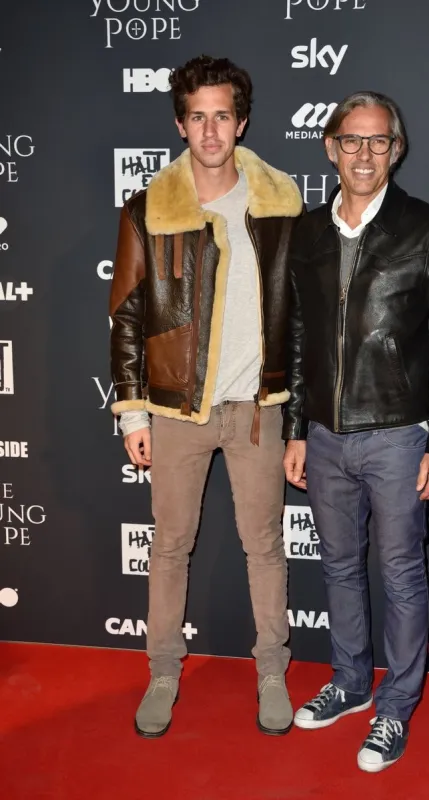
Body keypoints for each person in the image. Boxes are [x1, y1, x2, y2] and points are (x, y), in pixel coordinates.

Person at [109, 55, 303, 738]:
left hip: (258, 410)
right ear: (180, 123)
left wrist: (296, 413)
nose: (212, 130)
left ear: (241, 120)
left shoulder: (281, 203)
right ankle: (164, 670)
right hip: (174, 411)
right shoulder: (148, 209)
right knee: (169, 546)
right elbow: (128, 316)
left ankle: (273, 669)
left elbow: (300, 315)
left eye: (223, 115)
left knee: (265, 546)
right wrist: (133, 412)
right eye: (198, 116)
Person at [283, 91, 429, 772]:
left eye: (378, 140)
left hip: (399, 434)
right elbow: (299, 335)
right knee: (337, 567)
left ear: (397, 149)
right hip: (325, 435)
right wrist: (296, 427)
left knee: (398, 575)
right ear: (330, 147)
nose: (364, 153)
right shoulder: (304, 233)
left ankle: (394, 711)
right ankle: (350, 683)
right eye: (351, 139)